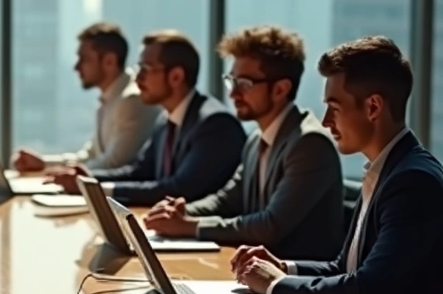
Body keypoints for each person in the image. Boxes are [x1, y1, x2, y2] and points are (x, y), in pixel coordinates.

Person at [234, 37, 443, 294]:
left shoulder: (411, 181)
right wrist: (283, 266)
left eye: (334, 108)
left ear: (373, 107)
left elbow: (366, 291)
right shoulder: (386, 169)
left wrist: (277, 285)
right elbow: (343, 267)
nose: (327, 121)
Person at [145, 26, 342, 259]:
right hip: (253, 272)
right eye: (232, 81)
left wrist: (190, 226)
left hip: (295, 284)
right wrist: (180, 213)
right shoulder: (257, 138)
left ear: (280, 89)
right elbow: (227, 200)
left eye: (245, 84)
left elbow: (269, 226)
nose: (233, 94)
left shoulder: (309, 144)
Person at [49, 30, 245, 206]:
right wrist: (89, 179)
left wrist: (97, 190)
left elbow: (178, 190)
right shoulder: (165, 120)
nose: (137, 78)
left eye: (146, 69)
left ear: (176, 76)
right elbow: (139, 171)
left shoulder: (215, 124)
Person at [13, 22, 157, 173]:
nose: (76, 67)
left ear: (109, 61)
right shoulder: (110, 98)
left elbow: (114, 164)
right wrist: (43, 164)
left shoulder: (131, 100)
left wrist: (62, 173)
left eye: (84, 59)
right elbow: (90, 155)